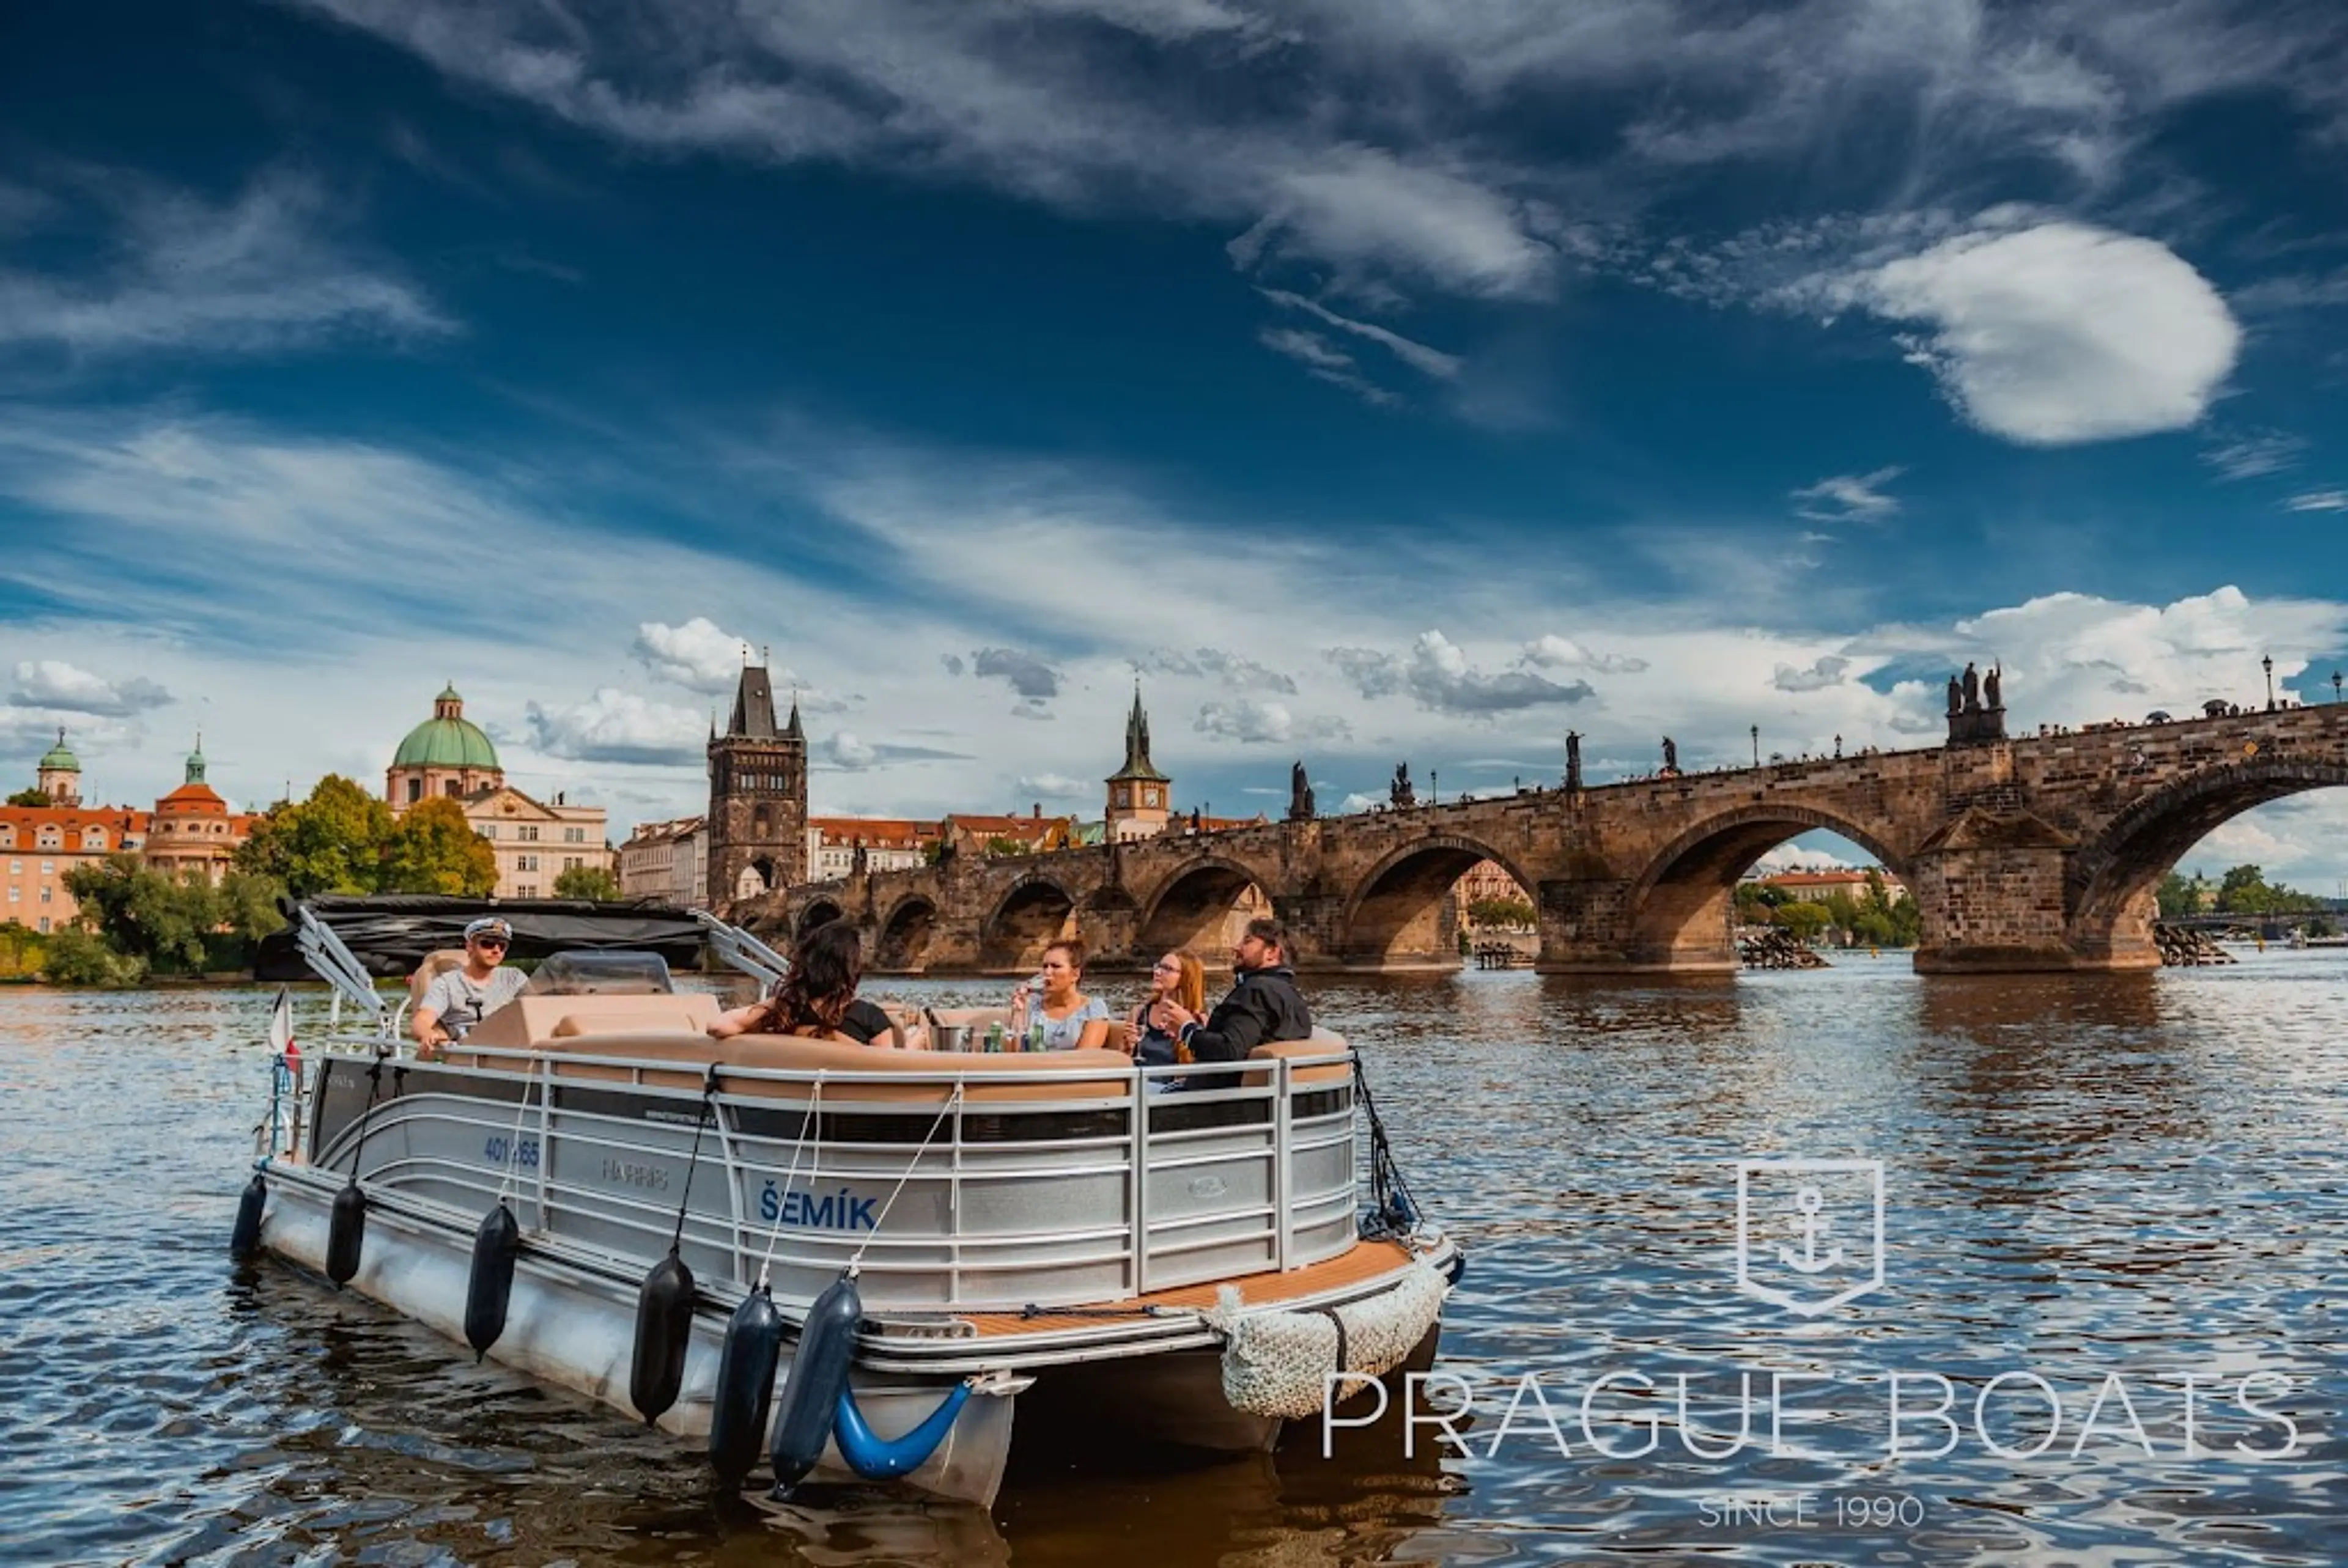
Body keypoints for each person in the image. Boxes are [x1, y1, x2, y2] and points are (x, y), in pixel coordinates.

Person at [707, 920, 906, 1047]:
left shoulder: (786, 1011)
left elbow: (718, 1026)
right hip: (856, 1105)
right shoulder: (870, 1018)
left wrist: (797, 1029)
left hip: (794, 1102)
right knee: (916, 1036)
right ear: (852, 968)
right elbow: (888, 1069)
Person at [1151, 917, 1312, 1064]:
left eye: (1247, 942)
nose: (1236, 947)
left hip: (1218, 1093)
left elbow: (1229, 1050)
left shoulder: (1256, 991)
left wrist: (1186, 1028)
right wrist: (1206, 1031)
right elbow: (1247, 1039)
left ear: (1271, 952)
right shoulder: (1290, 993)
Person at [413, 917, 527, 1059]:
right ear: (470, 947)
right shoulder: (448, 983)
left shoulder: (515, 978)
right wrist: (428, 1034)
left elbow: (536, 1009)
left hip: (511, 1049)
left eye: (502, 946)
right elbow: (422, 1019)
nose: (496, 950)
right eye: (488, 944)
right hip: (466, 1054)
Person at [1008, 938, 1112, 1051]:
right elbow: (1013, 1055)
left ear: (1075, 974)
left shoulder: (1093, 1009)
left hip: (1069, 1068)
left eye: (1056, 966)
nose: (1047, 972)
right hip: (1030, 1067)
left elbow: (1084, 1059)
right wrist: (1018, 1013)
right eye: (1045, 966)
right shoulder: (1032, 1006)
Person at [1126, 950, 1204, 1078]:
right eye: (1159, 966)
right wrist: (1128, 1048)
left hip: (1170, 1092)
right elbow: (1123, 1064)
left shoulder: (1196, 1020)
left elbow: (1194, 1073)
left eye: (1167, 969)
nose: (1157, 972)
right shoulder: (1139, 1012)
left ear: (1185, 978)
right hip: (1137, 1086)